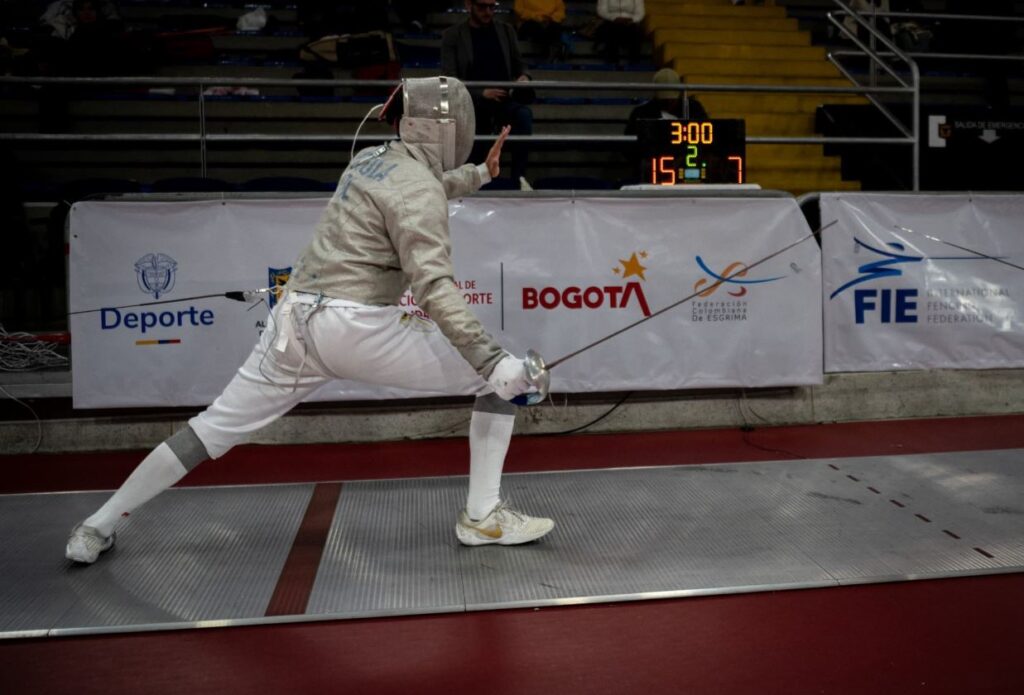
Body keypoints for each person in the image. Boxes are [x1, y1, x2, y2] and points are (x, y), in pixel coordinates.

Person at [65, 76, 555, 565]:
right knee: (499, 381)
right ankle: (482, 517)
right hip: (355, 329)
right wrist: (492, 361)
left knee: (210, 429)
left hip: (292, 325)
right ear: (444, 129)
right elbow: (433, 284)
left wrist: (478, 174)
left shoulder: (369, 159)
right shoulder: (416, 189)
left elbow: (417, 189)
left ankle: (96, 527)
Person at [442, 0, 534, 184]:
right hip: (470, 103)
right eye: (482, 7)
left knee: (523, 115)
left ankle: (519, 179)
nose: (488, 12)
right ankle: (472, 182)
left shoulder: (506, 31)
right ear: (469, 6)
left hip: (504, 99)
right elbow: (450, 78)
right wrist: (481, 92)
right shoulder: (453, 35)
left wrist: (524, 77)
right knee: (477, 137)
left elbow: (520, 64)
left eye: (492, 7)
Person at [625, 66, 708, 136]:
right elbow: (629, 144)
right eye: (664, 100)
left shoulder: (694, 109)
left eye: (672, 99)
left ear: (679, 93)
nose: (668, 102)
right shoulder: (640, 114)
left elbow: (706, 137)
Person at [593, 0, 645, 66]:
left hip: (629, 22)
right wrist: (614, 18)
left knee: (637, 32)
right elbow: (602, 10)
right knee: (611, 31)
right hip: (610, 21)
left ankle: (634, 61)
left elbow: (640, 13)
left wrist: (632, 20)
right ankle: (612, 61)